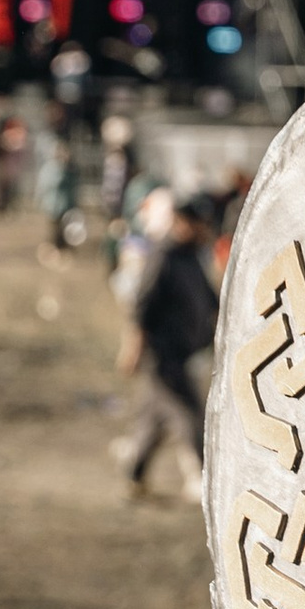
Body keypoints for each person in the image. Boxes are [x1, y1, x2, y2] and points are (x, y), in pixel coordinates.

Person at [113, 186, 220, 498]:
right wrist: (133, 347)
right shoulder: (162, 256)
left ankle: (134, 472)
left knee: (154, 419)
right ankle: (205, 480)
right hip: (164, 352)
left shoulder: (192, 257)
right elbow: (142, 305)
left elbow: (210, 300)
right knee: (190, 414)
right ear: (182, 222)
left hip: (186, 351)